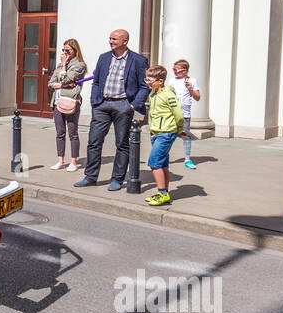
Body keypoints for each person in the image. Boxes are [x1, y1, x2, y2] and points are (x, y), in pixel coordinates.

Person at [75, 29, 150, 190]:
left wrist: (133, 105)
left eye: (114, 39)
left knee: (122, 144)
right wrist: (95, 102)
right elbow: (96, 82)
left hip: (123, 105)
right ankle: (90, 176)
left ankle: (117, 179)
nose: (111, 41)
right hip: (102, 105)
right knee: (94, 142)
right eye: (110, 38)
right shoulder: (104, 58)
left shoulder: (138, 60)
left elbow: (145, 86)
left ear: (125, 41)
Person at [144, 65, 189, 206]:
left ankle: (162, 193)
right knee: (162, 164)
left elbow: (179, 114)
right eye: (147, 79)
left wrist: (179, 129)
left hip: (166, 133)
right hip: (157, 133)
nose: (148, 82)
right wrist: (153, 131)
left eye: (150, 80)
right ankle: (165, 193)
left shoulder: (168, 95)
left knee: (154, 162)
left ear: (161, 81)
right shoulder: (153, 93)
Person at [47, 39, 88, 171]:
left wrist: (64, 68)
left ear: (75, 51)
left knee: (73, 132)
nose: (65, 53)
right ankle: (60, 160)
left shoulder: (80, 65)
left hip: (71, 102)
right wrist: (59, 83)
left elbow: (66, 79)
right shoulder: (59, 65)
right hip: (57, 102)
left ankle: (73, 162)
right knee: (60, 133)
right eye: (63, 50)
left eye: (68, 50)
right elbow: (51, 83)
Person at [171, 58, 201, 169]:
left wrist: (191, 89)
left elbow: (197, 97)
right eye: (173, 69)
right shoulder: (171, 81)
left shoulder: (192, 80)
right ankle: (164, 156)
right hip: (172, 113)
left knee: (186, 136)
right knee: (169, 135)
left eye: (176, 69)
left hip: (185, 113)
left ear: (184, 70)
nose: (174, 71)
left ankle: (187, 159)